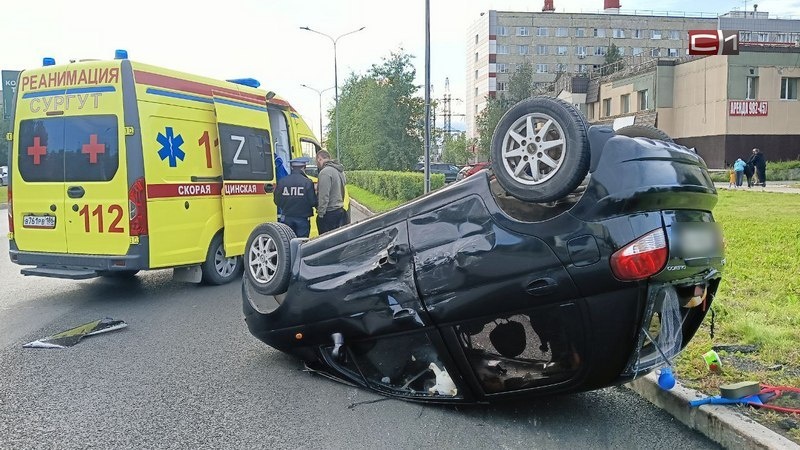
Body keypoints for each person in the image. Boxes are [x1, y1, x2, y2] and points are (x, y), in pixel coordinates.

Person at [273, 157, 317, 238]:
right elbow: (313, 201)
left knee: (288, 241)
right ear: (304, 168)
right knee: (302, 242)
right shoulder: (307, 182)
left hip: (287, 217)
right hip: (303, 219)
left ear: (292, 167)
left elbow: (277, 200)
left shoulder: (282, 181)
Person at [315, 150, 348, 234]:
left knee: (325, 241)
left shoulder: (325, 172)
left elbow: (324, 195)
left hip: (329, 213)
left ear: (319, 159)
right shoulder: (340, 171)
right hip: (340, 211)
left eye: (316, 161)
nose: (316, 164)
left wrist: (321, 214)